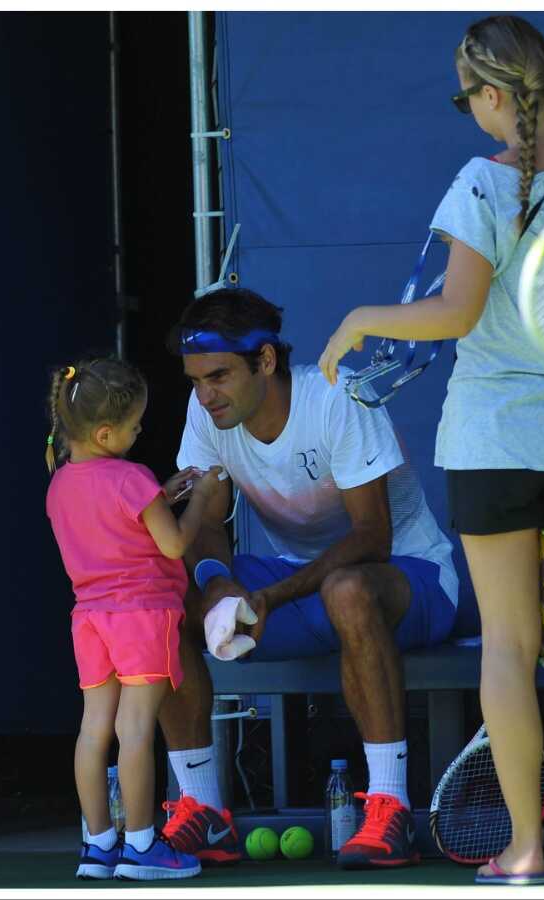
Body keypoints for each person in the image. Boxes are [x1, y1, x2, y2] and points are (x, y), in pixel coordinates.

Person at [318, 15, 544, 885]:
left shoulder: (478, 184)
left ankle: (525, 852)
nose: (469, 112)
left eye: (469, 97)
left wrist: (358, 320)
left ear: (493, 95)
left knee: (507, 644)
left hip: (495, 444)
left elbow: (453, 313)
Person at [159, 288, 459, 869]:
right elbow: (205, 518)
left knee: (346, 590)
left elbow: (373, 539)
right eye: (195, 380)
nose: (204, 395)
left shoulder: (337, 395)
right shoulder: (207, 413)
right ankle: (204, 808)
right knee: (163, 598)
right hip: (301, 587)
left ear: (265, 361)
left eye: (218, 376)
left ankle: (390, 806)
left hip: (409, 576)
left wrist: (269, 595)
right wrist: (218, 580)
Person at [45, 357, 219, 881]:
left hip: (90, 619)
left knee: (94, 728)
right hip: (143, 615)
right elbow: (173, 542)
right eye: (134, 426)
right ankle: (143, 846)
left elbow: (109, 523)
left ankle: (97, 846)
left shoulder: (59, 483)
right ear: (104, 432)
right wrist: (202, 500)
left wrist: (159, 499)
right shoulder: (132, 477)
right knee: (137, 728)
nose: (141, 432)